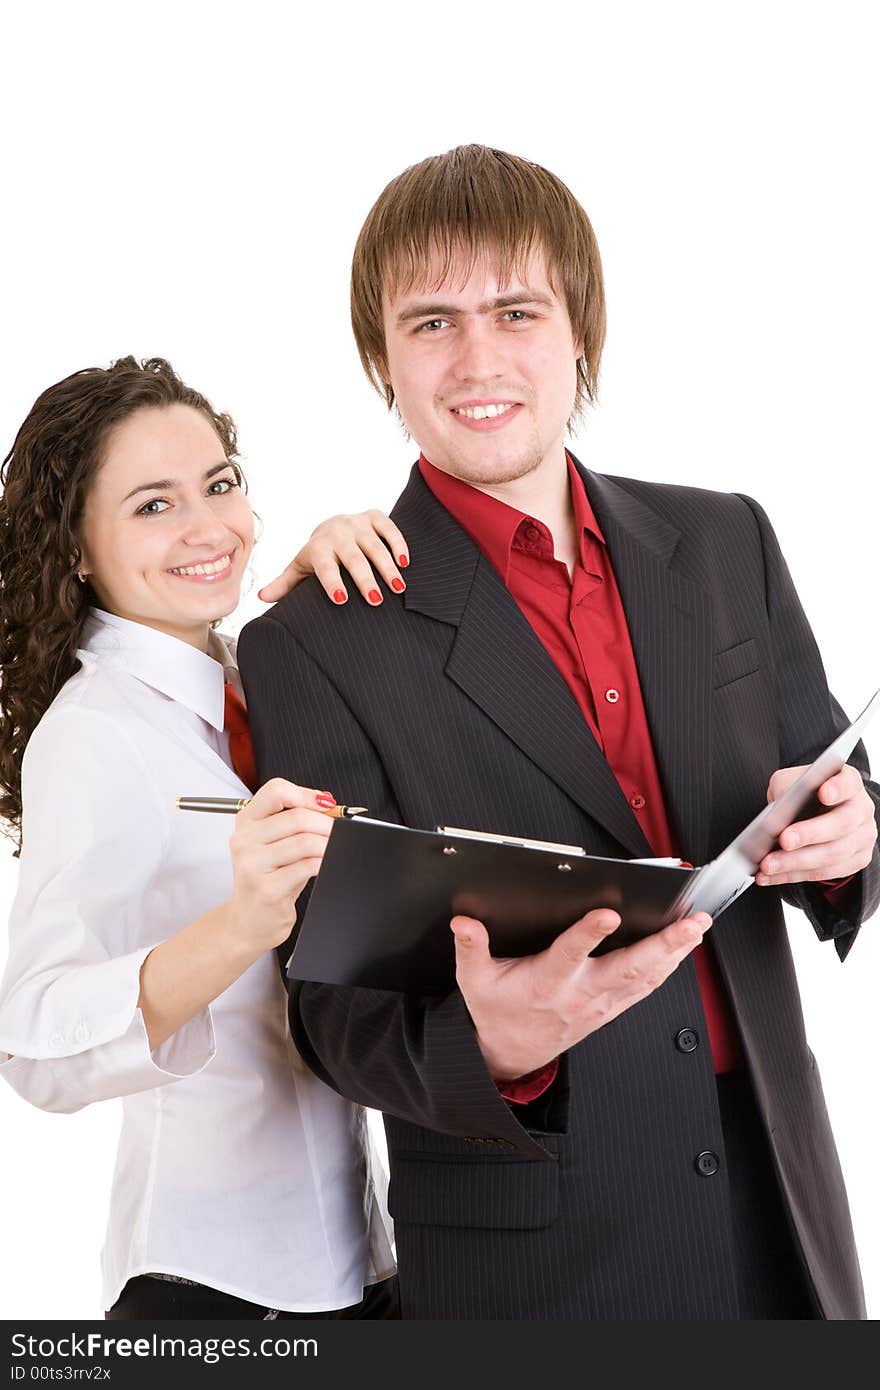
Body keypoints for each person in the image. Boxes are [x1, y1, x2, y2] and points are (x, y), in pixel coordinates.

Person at [237, 144, 880, 1320]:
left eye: (515, 311)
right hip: (541, 1266)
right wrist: (490, 1042)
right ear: (380, 356)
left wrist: (852, 839)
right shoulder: (315, 642)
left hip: (782, 1214)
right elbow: (331, 1012)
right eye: (430, 321)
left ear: (578, 329)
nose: (477, 359)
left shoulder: (726, 539)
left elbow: (834, 790)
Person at [0, 355, 412, 1319]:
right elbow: (34, 1040)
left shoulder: (256, 678)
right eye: (152, 505)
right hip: (215, 1282)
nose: (206, 528)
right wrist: (244, 922)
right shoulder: (93, 733)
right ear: (75, 548)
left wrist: (352, 585)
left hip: (364, 1257)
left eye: (219, 485)